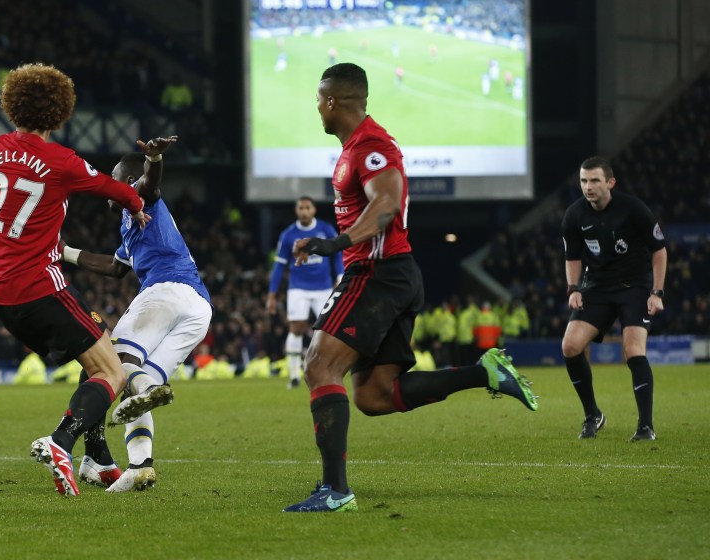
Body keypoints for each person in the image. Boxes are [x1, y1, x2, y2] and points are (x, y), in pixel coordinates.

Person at [283, 63, 538, 513]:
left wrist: (334, 243)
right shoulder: (353, 148)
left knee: (319, 365)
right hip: (391, 275)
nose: (317, 109)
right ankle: (486, 373)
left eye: (318, 101)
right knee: (374, 396)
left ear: (332, 101)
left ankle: (335, 491)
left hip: (378, 273)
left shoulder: (372, 145)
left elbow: (385, 204)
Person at [0, 62, 157, 497]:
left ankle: (98, 458)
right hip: (42, 287)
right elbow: (114, 189)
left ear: (12, 106)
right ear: (61, 113)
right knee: (111, 369)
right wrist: (136, 205)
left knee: (94, 358)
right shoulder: (62, 161)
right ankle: (61, 443)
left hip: (0, 291)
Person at [59, 136, 212, 492]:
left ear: (127, 182)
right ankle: (141, 466)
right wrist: (64, 252)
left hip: (166, 291)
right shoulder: (130, 225)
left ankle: (145, 387)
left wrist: (154, 158)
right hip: (198, 309)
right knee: (132, 386)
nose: (109, 188)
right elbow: (114, 267)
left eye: (114, 179)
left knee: (113, 363)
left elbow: (150, 183)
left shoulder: (141, 201)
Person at [560, 156, 667, 442]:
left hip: (634, 287)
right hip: (597, 288)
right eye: (583, 180)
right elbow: (572, 257)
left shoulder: (632, 209)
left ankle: (645, 427)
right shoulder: (574, 215)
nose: (588, 187)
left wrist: (657, 293)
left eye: (594, 180)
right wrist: (573, 289)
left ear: (610, 182)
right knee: (570, 346)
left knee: (633, 350)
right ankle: (592, 414)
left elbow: (659, 250)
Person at [266, 197, 344, 389]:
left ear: (314, 210)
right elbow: (279, 265)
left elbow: (337, 255)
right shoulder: (289, 234)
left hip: (324, 287)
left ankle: (328, 371)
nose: (304, 211)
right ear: (296, 211)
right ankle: (294, 375)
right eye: (300, 208)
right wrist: (272, 294)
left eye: (307, 207)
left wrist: (340, 277)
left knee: (328, 330)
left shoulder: (325, 229)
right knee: (297, 327)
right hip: (298, 287)